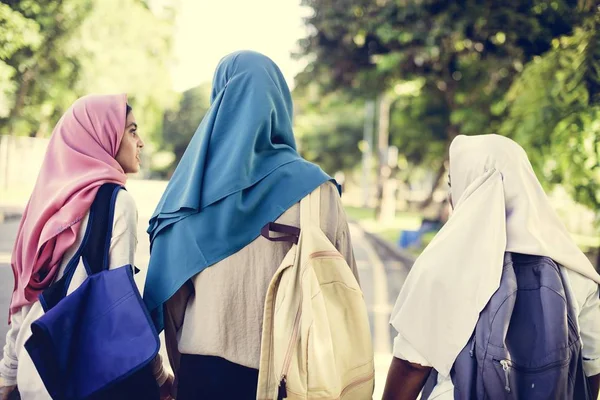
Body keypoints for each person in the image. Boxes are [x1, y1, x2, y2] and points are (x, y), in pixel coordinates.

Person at [143, 50, 360, 399]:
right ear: (280, 104)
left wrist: (182, 374)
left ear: (220, 100)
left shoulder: (190, 195)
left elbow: (173, 303)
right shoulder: (318, 191)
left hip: (205, 375)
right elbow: (344, 289)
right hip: (294, 376)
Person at [383, 134, 600, 400]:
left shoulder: (443, 266)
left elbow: (411, 365)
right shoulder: (575, 269)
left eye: (454, 183)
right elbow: (591, 367)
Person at [0, 94, 173, 400]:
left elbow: (26, 296)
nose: (141, 142)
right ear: (102, 136)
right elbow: (122, 306)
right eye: (132, 131)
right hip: (88, 373)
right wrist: (158, 374)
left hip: (37, 367)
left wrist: (8, 373)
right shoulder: (117, 202)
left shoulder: (46, 202)